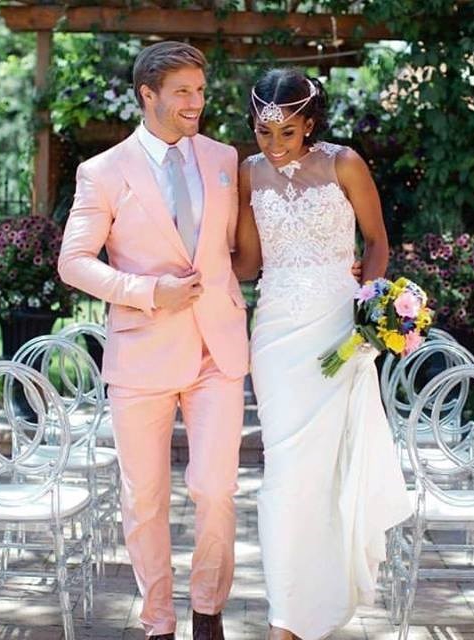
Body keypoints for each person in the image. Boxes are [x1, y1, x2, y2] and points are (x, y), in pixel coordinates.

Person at [58, 41, 248, 640]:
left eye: (200, 89)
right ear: (149, 96)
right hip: (141, 352)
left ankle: (209, 610)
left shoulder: (223, 157)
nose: (197, 102)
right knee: (146, 500)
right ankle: (159, 622)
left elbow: (241, 250)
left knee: (215, 489)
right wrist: (146, 290)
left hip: (217, 348)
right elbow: (74, 263)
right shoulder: (103, 171)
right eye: (184, 92)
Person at [231, 68, 413, 640]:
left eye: (287, 132)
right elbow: (247, 265)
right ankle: (287, 609)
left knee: (327, 467)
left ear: (310, 124)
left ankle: (316, 601)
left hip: (337, 325)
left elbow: (377, 241)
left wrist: (368, 312)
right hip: (277, 330)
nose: (275, 144)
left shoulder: (345, 164)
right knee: (284, 468)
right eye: (264, 132)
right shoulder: (248, 173)